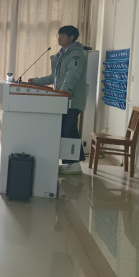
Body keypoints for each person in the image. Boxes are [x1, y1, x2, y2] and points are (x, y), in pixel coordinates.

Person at [29, 25, 87, 175]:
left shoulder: (76, 55)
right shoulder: (62, 55)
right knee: (69, 130)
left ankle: (73, 165)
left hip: (72, 99)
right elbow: (53, 77)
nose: (59, 38)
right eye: (58, 35)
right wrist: (36, 81)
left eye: (62, 35)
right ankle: (72, 164)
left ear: (71, 38)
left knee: (69, 131)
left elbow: (72, 75)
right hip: (63, 99)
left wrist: (65, 91)